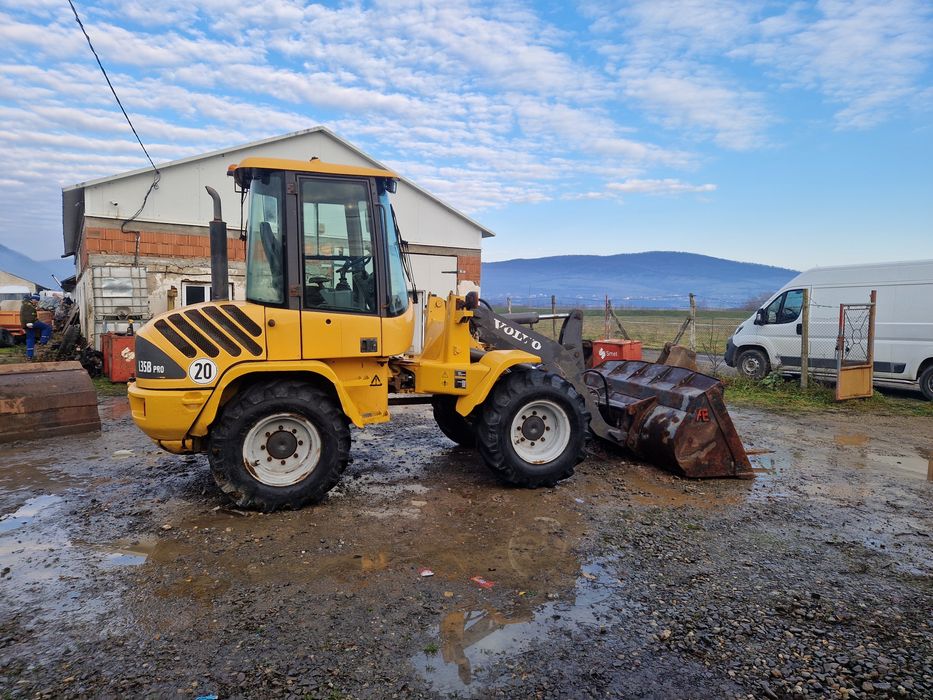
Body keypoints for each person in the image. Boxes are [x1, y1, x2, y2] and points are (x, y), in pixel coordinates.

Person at [20, 294, 51, 360]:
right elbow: (28, 315)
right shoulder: (28, 305)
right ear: (33, 299)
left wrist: (25, 324)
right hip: (31, 323)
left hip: (26, 325)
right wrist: (30, 323)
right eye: (36, 300)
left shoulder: (26, 305)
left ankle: (29, 356)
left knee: (30, 339)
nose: (37, 302)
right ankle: (43, 342)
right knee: (47, 327)